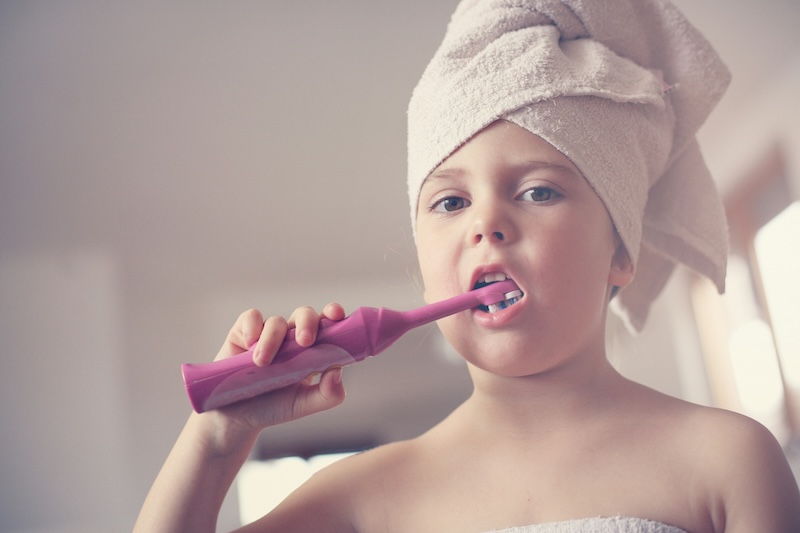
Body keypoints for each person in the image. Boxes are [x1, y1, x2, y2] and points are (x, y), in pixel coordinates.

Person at [134, 1, 800, 531]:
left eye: (538, 191)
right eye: (450, 201)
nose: (487, 223)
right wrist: (216, 443)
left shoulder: (729, 460)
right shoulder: (364, 496)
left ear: (622, 252)